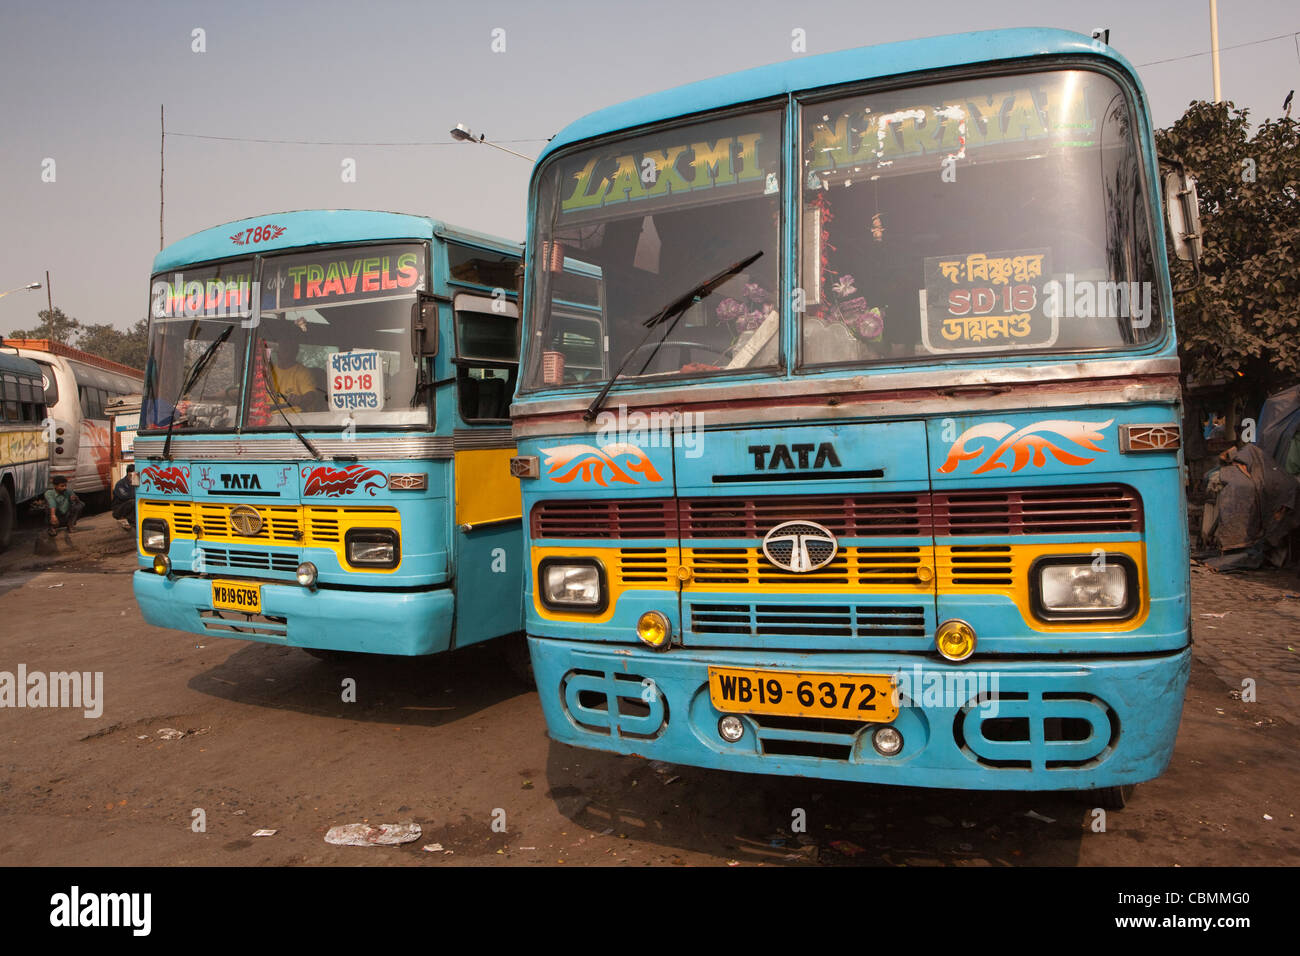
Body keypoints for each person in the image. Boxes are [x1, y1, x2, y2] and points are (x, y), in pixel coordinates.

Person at [265, 338, 326, 412]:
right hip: (269, 420)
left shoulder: (302, 372)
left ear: (294, 352)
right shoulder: (269, 373)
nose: (283, 351)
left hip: (296, 420)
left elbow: (311, 396)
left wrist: (300, 399)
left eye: (287, 349)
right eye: (281, 348)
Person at [112, 464, 137, 530]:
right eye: (131, 475)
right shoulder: (120, 484)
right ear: (128, 473)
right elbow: (125, 496)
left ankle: (133, 520)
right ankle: (131, 521)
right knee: (133, 502)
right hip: (119, 509)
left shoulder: (136, 482)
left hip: (130, 506)